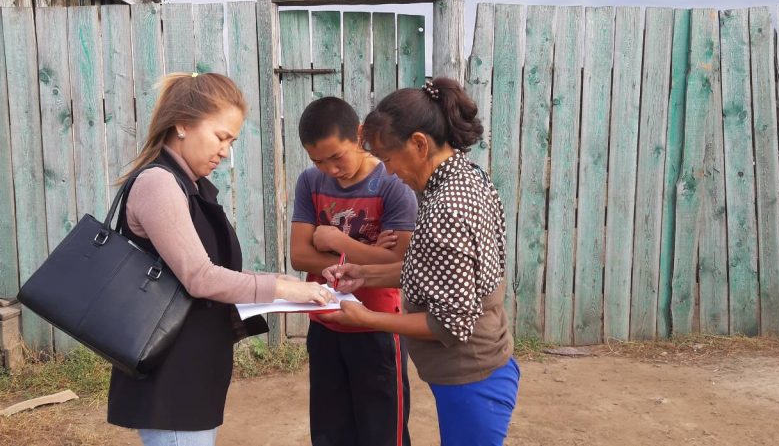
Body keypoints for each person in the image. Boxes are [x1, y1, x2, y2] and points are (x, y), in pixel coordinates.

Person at [106, 72, 335, 446]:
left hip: (189, 370)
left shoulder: (188, 185)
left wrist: (282, 283)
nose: (226, 151)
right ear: (183, 124)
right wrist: (280, 288)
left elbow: (213, 270)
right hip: (172, 381)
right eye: (220, 136)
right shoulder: (159, 183)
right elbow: (200, 277)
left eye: (231, 141)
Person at [319, 78, 519, 446]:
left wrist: (368, 318)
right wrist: (364, 274)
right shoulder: (465, 179)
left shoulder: (447, 209)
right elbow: (441, 271)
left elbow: (450, 323)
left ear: (419, 144)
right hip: (481, 367)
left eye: (388, 158)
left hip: (471, 374)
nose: (389, 171)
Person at [290, 96, 418, 446]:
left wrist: (335, 241)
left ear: (359, 135)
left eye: (336, 157)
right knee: (330, 432)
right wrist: (371, 252)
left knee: (382, 431)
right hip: (324, 320)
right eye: (318, 161)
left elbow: (400, 264)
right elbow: (299, 256)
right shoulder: (310, 182)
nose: (330, 169)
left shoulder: (392, 183)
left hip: (378, 325)